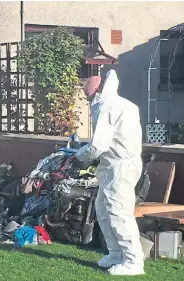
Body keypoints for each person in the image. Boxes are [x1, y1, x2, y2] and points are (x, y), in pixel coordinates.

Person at [73, 70, 145, 276]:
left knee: (118, 211)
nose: (88, 101)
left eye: (88, 96)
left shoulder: (108, 106)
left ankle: (133, 261)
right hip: (113, 164)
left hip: (120, 166)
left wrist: (79, 157)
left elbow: (97, 146)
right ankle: (116, 254)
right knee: (103, 208)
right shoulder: (122, 104)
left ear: (96, 91)